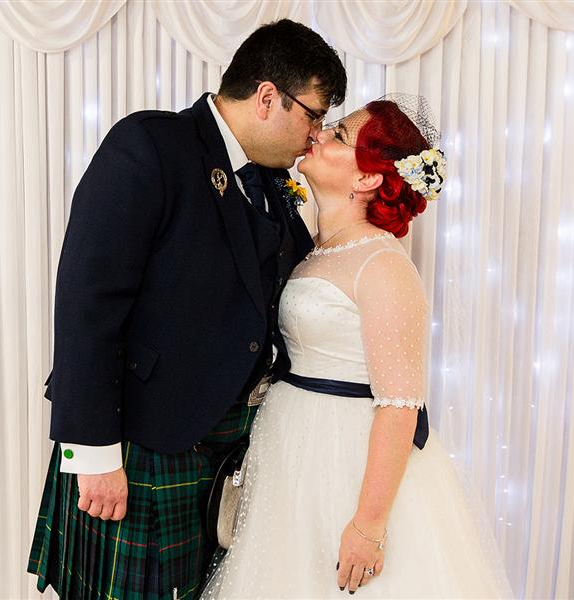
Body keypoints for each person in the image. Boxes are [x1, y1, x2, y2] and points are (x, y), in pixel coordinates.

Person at [27, 20, 346, 600]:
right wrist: (92, 453)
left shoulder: (273, 183)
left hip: (227, 453)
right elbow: (87, 301)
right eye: (314, 115)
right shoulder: (150, 145)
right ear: (268, 96)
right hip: (137, 446)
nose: (316, 134)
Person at [199, 97, 512, 598]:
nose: (318, 134)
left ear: (367, 179)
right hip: (289, 448)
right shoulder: (311, 246)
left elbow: (400, 406)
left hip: (344, 456)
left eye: (339, 135)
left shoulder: (383, 264)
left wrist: (367, 526)